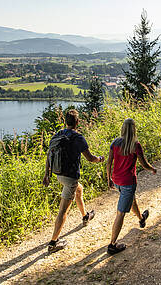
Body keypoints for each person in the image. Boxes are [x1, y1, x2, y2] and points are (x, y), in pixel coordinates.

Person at [43, 108, 104, 253]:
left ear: (66, 122)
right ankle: (53, 243)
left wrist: (47, 174)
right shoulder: (78, 138)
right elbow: (90, 158)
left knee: (79, 189)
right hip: (70, 177)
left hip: (58, 174)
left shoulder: (58, 135)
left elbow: (49, 155)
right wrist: (100, 159)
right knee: (63, 210)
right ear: (77, 122)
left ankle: (85, 216)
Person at [106, 118, 156, 255]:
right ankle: (112, 245)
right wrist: (152, 169)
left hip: (117, 181)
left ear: (122, 129)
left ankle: (141, 219)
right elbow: (144, 164)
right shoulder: (135, 145)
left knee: (131, 200)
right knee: (120, 213)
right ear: (134, 130)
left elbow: (109, 162)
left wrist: (108, 178)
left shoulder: (115, 143)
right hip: (128, 182)